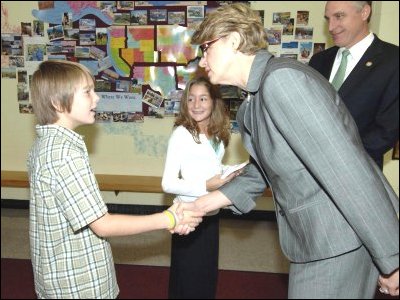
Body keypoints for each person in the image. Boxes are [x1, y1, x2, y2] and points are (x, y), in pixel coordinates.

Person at [172, 3, 399, 298]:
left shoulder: (282, 81)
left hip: (339, 238)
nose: (203, 61)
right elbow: (263, 171)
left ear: (234, 41)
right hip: (321, 238)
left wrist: (391, 258)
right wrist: (200, 205)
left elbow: (347, 171)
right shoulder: (257, 96)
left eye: (207, 48)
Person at [27, 60, 204, 299]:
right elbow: (103, 224)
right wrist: (169, 217)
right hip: (78, 284)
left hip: (60, 276)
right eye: (87, 92)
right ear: (58, 102)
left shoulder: (46, 144)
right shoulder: (63, 154)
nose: (96, 98)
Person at [162, 77, 240, 299]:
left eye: (203, 98)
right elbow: (167, 183)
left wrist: (229, 171)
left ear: (214, 102)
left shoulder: (216, 134)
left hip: (211, 212)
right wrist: (206, 185)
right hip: (188, 215)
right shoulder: (181, 134)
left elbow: (210, 167)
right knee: (188, 279)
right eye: (191, 98)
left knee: (205, 277)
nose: (196, 105)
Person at [309, 1, 399, 169]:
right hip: (309, 171)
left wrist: (339, 161)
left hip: (357, 172)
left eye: (339, 16)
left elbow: (387, 130)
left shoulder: (393, 61)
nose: (331, 27)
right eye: (328, 19)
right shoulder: (318, 61)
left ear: (364, 12)